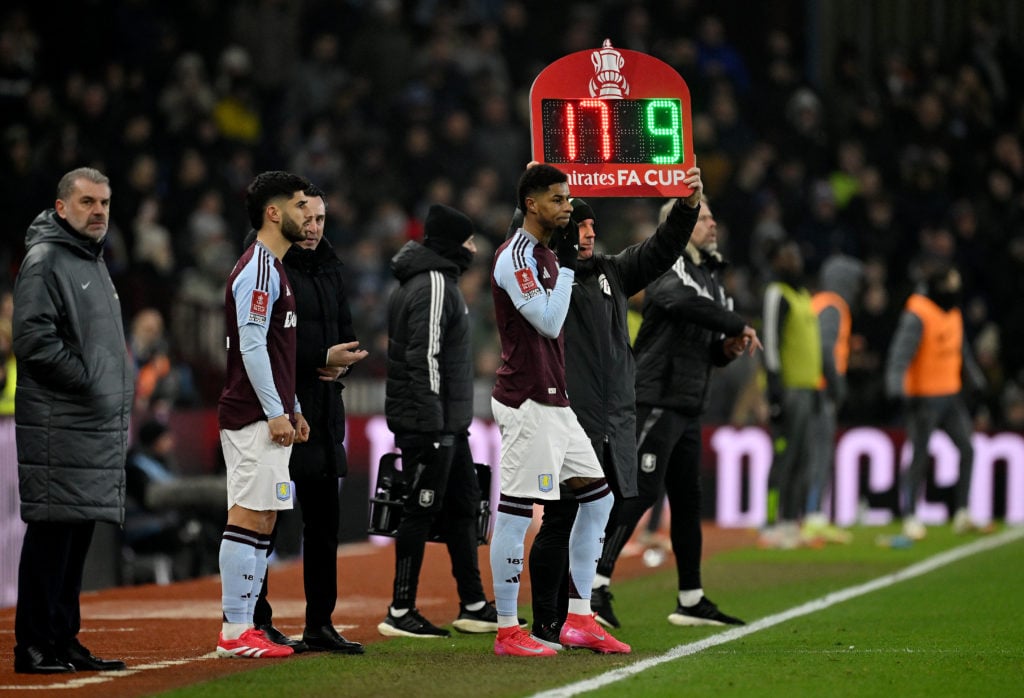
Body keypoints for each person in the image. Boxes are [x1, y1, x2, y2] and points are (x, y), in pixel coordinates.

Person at [526, 169, 707, 647]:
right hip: (571, 418)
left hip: (614, 420)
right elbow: (522, 239)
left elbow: (662, 248)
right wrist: (529, 198)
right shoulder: (547, 275)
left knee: (602, 514)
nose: (587, 232)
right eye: (578, 225)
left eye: (591, 227)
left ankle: (579, 615)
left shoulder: (612, 272)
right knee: (561, 518)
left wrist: (687, 206)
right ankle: (545, 621)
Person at [587, 195, 760, 630]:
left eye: (711, 215)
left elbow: (709, 349)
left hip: (686, 401)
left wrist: (727, 347)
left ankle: (691, 597)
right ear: (679, 227)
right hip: (655, 395)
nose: (712, 222)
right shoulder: (670, 264)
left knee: (687, 502)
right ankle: (593, 585)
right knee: (639, 490)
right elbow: (672, 299)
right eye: (702, 217)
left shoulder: (712, 279)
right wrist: (733, 323)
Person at [488, 163, 629, 657]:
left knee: (598, 499)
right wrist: (568, 267)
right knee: (516, 509)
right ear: (531, 204)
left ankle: (579, 618)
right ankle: (508, 629)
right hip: (526, 399)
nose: (568, 207)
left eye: (568, 198)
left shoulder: (545, 254)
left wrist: (562, 262)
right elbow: (548, 322)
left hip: (555, 399)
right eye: (557, 199)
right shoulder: (517, 256)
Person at [12, 167, 133, 674]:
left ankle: (63, 639)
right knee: (52, 535)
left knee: (75, 537)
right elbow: (34, 341)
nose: (98, 211)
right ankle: (35, 645)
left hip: (85, 426)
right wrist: (88, 381)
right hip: (58, 424)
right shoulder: (46, 260)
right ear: (62, 208)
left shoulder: (90, 259)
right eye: (87, 202)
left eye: (104, 202)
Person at [252, 185, 368, 654]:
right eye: (308, 218)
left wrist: (341, 359)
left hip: (323, 408)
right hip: (279, 411)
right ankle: (253, 621)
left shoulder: (331, 269)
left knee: (324, 523)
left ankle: (320, 622)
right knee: (264, 521)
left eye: (322, 219)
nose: (315, 227)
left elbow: (347, 334)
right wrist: (321, 355)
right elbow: (261, 345)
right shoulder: (267, 269)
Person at [378, 203, 497, 639]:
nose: (473, 249)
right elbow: (423, 357)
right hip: (431, 424)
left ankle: (473, 603)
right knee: (420, 508)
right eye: (467, 240)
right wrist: (432, 427)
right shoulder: (432, 284)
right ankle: (400, 608)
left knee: (465, 506)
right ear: (451, 243)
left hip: (449, 423)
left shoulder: (436, 282)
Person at [215, 171, 312, 659]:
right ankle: (235, 630)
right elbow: (252, 345)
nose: (306, 216)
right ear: (273, 213)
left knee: (266, 516)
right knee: (249, 514)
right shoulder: (259, 267)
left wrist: (291, 407)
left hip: (267, 412)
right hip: (252, 414)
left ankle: (246, 625)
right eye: (298, 206)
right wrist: (276, 410)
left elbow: (273, 350)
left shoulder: (274, 268)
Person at [885, 264, 985, 540]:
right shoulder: (918, 314)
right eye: (953, 284)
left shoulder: (952, 312)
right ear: (940, 286)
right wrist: (896, 386)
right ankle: (910, 516)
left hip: (950, 395)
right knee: (919, 456)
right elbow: (900, 354)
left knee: (967, 449)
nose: (956, 290)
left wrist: (975, 379)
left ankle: (963, 512)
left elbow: (960, 349)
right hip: (924, 398)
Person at [759, 239, 823, 550]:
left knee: (802, 459)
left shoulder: (804, 296)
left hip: (808, 389)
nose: (794, 261)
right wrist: (775, 392)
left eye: (795, 254)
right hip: (788, 390)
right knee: (784, 458)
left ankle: (790, 521)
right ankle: (771, 523)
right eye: (786, 257)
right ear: (775, 263)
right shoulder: (777, 294)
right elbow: (770, 345)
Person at [801, 254, 863, 545]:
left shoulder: (818, 302)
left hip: (806, 385)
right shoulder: (834, 307)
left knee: (808, 453)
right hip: (820, 388)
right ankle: (813, 516)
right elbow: (826, 350)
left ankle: (803, 514)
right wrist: (838, 387)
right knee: (820, 453)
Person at [124, 420, 226, 582]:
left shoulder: (161, 462)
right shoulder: (136, 465)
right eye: (166, 439)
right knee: (195, 532)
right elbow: (150, 499)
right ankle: (194, 581)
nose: (170, 443)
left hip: (163, 524)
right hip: (144, 532)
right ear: (154, 440)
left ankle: (203, 577)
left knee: (203, 527)